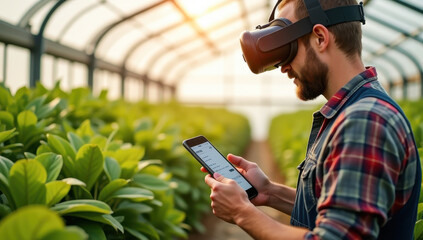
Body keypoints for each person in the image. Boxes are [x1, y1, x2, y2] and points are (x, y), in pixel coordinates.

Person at [202, 0, 421, 239]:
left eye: (289, 48)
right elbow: (335, 208)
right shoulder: (354, 110)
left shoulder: (366, 120)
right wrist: (270, 192)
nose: (283, 66)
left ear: (320, 37)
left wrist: (241, 212)